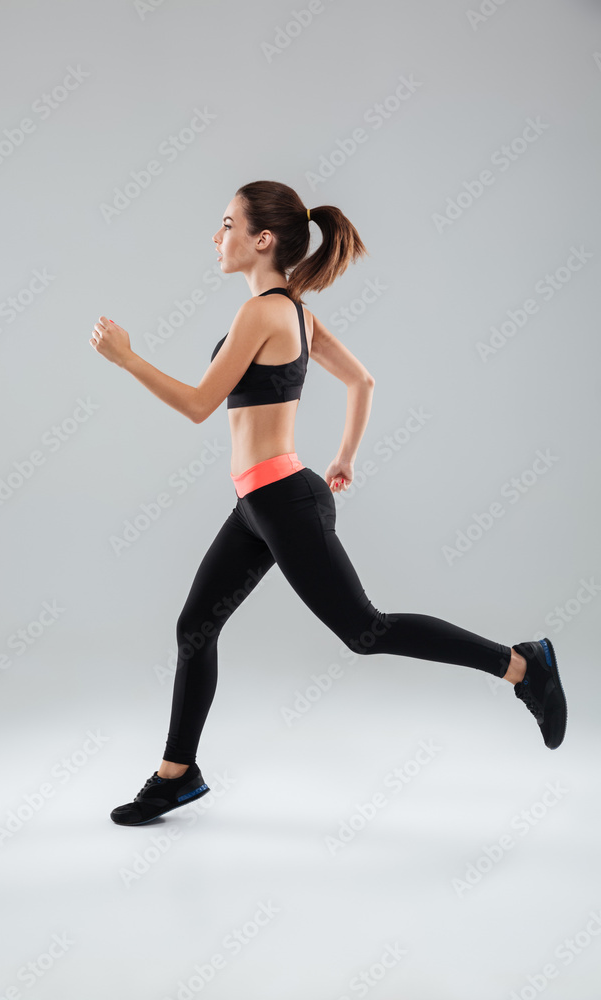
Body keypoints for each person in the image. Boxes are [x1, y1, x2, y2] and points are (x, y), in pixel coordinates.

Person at [89, 180, 567, 828]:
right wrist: (344, 458)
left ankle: (522, 665)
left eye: (226, 224)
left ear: (262, 239)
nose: (216, 236)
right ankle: (178, 775)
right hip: (261, 504)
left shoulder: (262, 312)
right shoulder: (298, 314)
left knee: (365, 631)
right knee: (195, 626)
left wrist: (127, 358)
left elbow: (201, 405)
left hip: (283, 501)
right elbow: (361, 380)